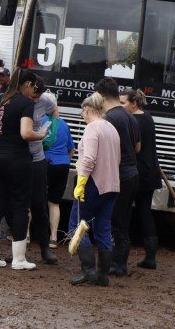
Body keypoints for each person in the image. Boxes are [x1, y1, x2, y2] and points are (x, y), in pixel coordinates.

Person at [0, 68, 47, 270]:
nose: (33, 90)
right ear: (27, 84)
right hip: (17, 159)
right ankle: (18, 260)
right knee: (20, 206)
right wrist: (41, 134)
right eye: (33, 86)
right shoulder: (26, 103)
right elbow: (26, 133)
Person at [69, 92, 121, 286]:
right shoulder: (111, 128)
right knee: (103, 228)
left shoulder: (92, 128)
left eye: (82, 111)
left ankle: (89, 270)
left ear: (88, 109)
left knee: (76, 224)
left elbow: (89, 158)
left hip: (93, 183)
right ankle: (103, 276)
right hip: (112, 185)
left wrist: (81, 182)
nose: (82, 115)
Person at [95, 77, 140, 277]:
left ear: (102, 96)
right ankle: (121, 263)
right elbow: (137, 147)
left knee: (112, 219)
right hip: (132, 173)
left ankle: (114, 264)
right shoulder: (131, 116)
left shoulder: (110, 118)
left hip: (118, 174)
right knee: (124, 220)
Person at [120, 88, 162, 269]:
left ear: (133, 103)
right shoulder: (148, 117)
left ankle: (121, 256)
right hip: (150, 171)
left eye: (123, 103)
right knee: (145, 212)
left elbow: (133, 148)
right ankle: (150, 258)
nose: (120, 107)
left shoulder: (132, 120)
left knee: (124, 212)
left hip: (135, 172)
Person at [43, 115, 74, 248]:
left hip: (42, 163)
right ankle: (53, 238)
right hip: (62, 165)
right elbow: (71, 149)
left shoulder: (38, 121)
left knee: (32, 200)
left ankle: (25, 235)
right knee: (54, 202)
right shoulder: (63, 123)